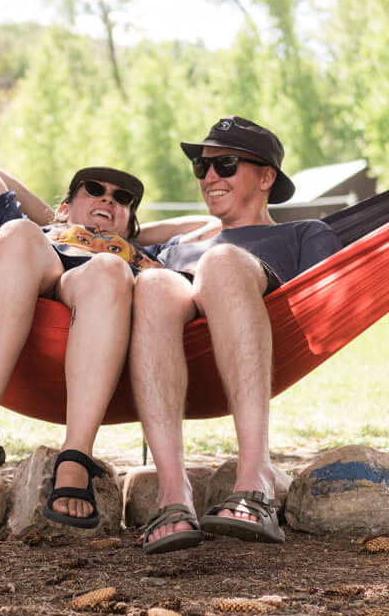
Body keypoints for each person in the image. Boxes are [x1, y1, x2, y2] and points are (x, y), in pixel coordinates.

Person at [133, 117, 341, 554]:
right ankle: (174, 495)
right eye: (201, 167)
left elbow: (330, 303)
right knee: (151, 284)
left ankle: (256, 478)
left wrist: (217, 246)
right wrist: (176, 231)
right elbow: (106, 236)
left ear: (266, 177)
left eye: (225, 164)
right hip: (180, 335)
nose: (209, 177)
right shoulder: (174, 249)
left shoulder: (303, 233)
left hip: (255, 318)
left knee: (223, 261)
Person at [0, 161, 167, 529]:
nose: (107, 197)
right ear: (64, 205)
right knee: (15, 232)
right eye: (93, 189)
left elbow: (208, 227)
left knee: (109, 268)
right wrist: (61, 222)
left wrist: (130, 236)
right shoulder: (40, 230)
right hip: (30, 266)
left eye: (121, 199)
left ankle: (75, 454)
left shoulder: (136, 255)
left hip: (95, 289)